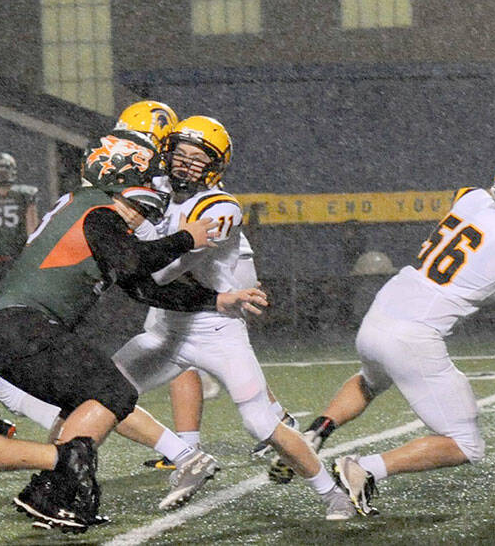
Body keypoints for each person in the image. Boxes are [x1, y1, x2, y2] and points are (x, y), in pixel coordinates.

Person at [277, 152, 495, 517]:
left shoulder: (473, 200)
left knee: (369, 381)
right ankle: (364, 469)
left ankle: (317, 431)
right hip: (414, 334)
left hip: (384, 309)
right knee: (465, 444)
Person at [0, 128, 262, 528]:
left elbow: (143, 288)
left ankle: (55, 484)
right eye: (141, 203)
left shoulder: (85, 209)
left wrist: (216, 301)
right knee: (114, 390)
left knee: (89, 399)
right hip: (25, 325)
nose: (142, 216)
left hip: (15, 327)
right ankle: (59, 482)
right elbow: (137, 261)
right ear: (123, 180)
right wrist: (186, 237)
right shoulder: (97, 211)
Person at [110, 116, 357, 521]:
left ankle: (333, 496)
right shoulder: (155, 191)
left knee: (261, 422)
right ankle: (184, 457)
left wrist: (123, 253)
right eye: (180, 154)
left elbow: (161, 271)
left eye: (197, 157)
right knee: (102, 395)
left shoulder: (218, 207)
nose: (185, 164)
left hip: (214, 328)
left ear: (215, 166)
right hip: (167, 325)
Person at [0, 152, 39, 280]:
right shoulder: (24, 194)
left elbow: (32, 229)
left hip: (15, 255)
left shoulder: (24, 195)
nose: (2, 174)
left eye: (5, 170)